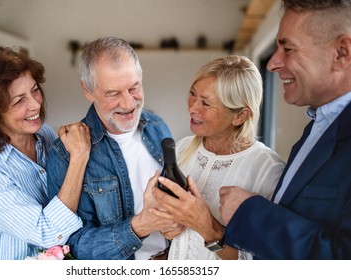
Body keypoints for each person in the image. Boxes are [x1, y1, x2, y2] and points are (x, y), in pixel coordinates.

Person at [215, 0, 351, 259]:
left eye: (288, 48)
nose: (272, 64)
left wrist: (250, 213)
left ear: (341, 53)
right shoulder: (316, 128)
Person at [0, 45, 91, 260]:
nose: (35, 105)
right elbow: (47, 232)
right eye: (19, 101)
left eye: (34, 90)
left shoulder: (44, 134)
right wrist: (79, 157)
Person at [46, 36, 178, 260]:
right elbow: (74, 245)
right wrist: (140, 226)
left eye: (134, 88)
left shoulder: (158, 127)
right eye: (113, 94)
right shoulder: (64, 154)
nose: (128, 104)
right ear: (87, 90)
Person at [150, 55, 285, 260]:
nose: (192, 107)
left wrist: (207, 226)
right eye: (193, 94)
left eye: (206, 103)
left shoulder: (268, 169)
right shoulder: (183, 147)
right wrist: (167, 227)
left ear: (240, 115)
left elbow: (265, 262)